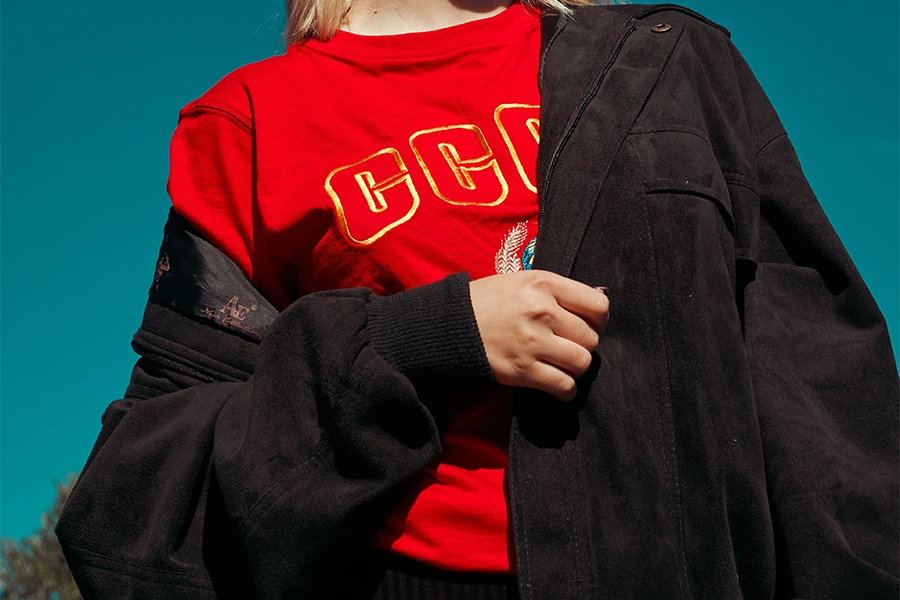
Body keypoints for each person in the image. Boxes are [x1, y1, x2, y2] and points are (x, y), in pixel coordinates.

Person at [56, 0, 899, 598]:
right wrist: (421, 338)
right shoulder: (246, 118)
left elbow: (825, 403)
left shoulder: (668, 64)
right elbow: (146, 486)